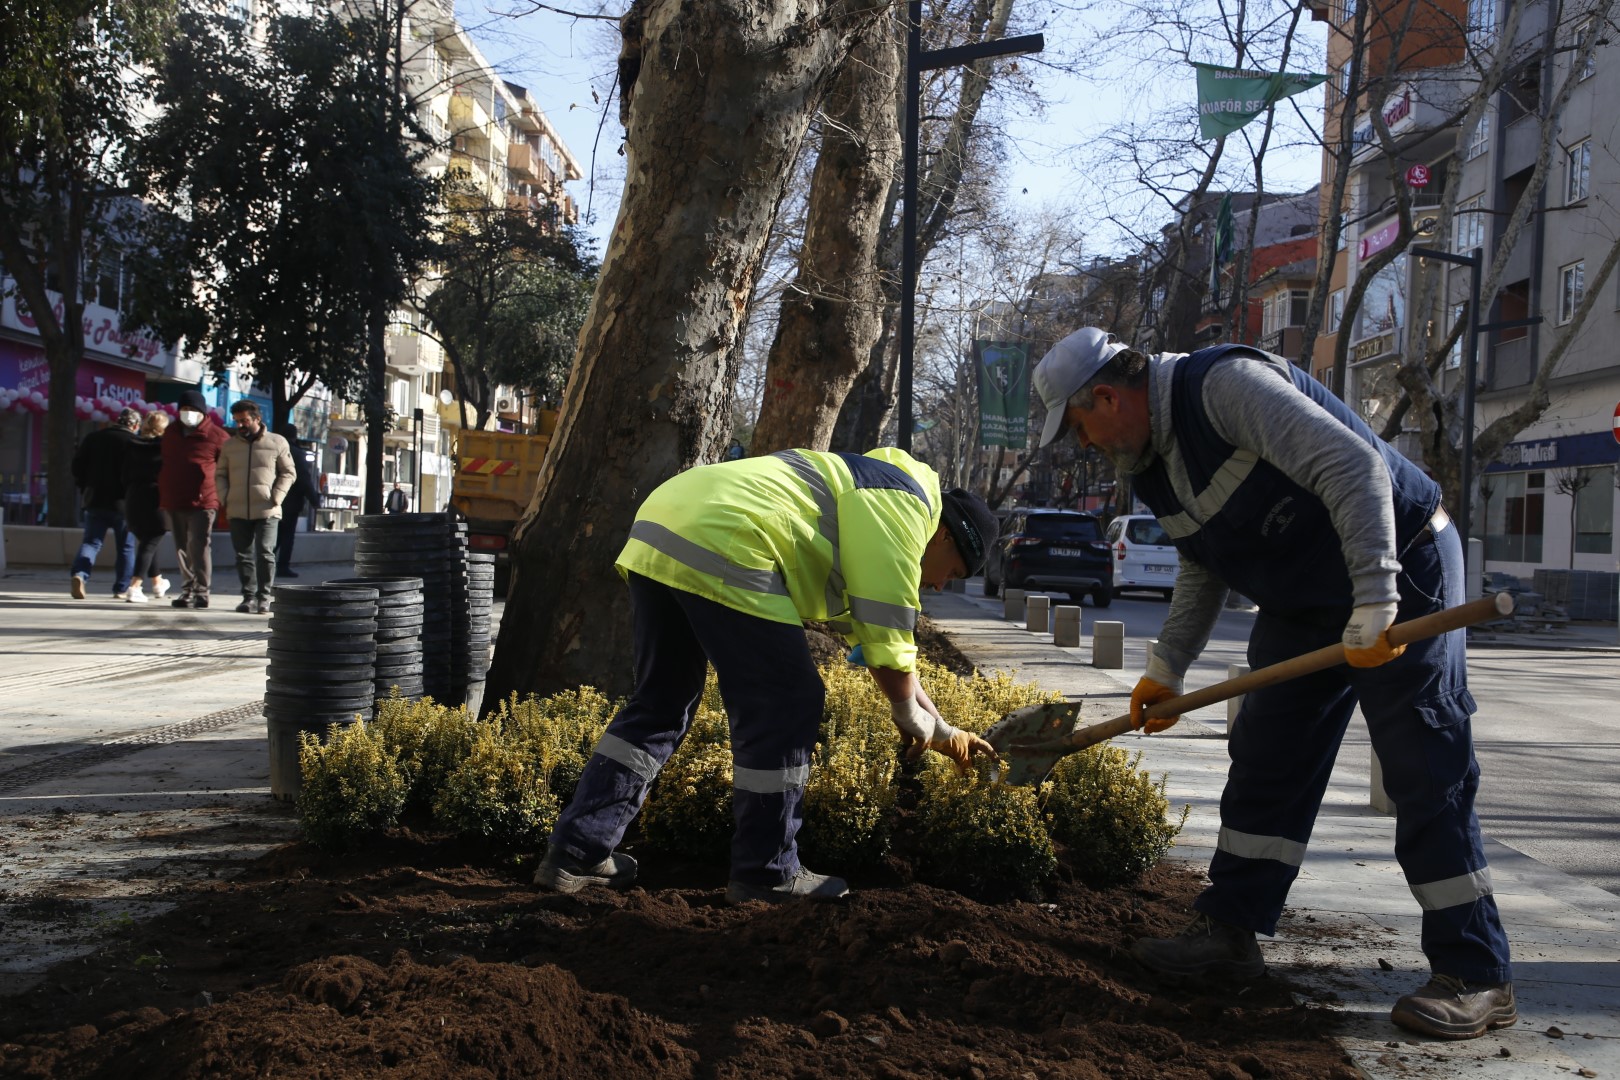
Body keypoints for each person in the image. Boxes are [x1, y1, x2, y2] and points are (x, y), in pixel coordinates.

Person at [1032, 327, 1513, 1040]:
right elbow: (1204, 562)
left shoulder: (1222, 387)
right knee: (1268, 754)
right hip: (1303, 597)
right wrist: (1167, 667)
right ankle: (1229, 934)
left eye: (1080, 427)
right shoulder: (1150, 463)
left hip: (1401, 560)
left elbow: (1354, 466)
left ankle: (1477, 973)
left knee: (1421, 760)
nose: (1086, 444)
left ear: (1106, 395)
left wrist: (1377, 596)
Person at [533, 448, 1000, 905]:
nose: (939, 586)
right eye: (953, 572)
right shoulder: (907, 505)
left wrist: (940, 727)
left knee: (662, 701)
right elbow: (888, 631)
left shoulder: (874, 487)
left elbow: (890, 651)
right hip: (729, 537)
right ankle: (768, 871)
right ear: (944, 536)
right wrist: (904, 712)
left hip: (667, 520)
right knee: (787, 703)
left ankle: (577, 852)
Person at [218, 400, 295, 614]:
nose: (240, 425)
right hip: (237, 508)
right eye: (236, 421)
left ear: (257, 419)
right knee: (242, 555)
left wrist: (277, 497)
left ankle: (264, 596)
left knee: (265, 552)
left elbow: (289, 472)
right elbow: (220, 474)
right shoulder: (229, 446)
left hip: (268, 508)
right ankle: (248, 596)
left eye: (244, 420)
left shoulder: (277, 442)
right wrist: (225, 497)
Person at [159, 389, 229, 609]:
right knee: (181, 547)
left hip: (204, 500)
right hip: (175, 498)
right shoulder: (170, 432)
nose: (188, 413)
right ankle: (187, 589)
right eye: (184, 409)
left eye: (192, 410)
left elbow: (226, 468)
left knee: (198, 545)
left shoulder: (217, 436)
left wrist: (222, 496)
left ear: (202, 412)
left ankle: (202, 591)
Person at [69, 407, 142, 600]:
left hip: (95, 498)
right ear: (135, 425)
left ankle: (80, 574)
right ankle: (121, 588)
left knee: (92, 542)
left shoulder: (93, 438)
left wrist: (84, 486)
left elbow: (77, 466)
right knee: (126, 547)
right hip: (125, 502)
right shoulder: (135, 442)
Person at [122, 411, 173, 604]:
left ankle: (157, 581)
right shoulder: (165, 448)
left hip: (134, 496)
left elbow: (124, 474)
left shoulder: (132, 446)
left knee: (146, 542)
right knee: (151, 540)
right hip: (156, 496)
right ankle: (135, 586)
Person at [275, 425, 320, 578]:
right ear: (295, 436)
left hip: (271, 500)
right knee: (287, 536)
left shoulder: (272, 450)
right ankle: (282, 566)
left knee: (274, 535)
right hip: (290, 501)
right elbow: (304, 478)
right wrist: (314, 499)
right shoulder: (295, 453)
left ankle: (263, 565)